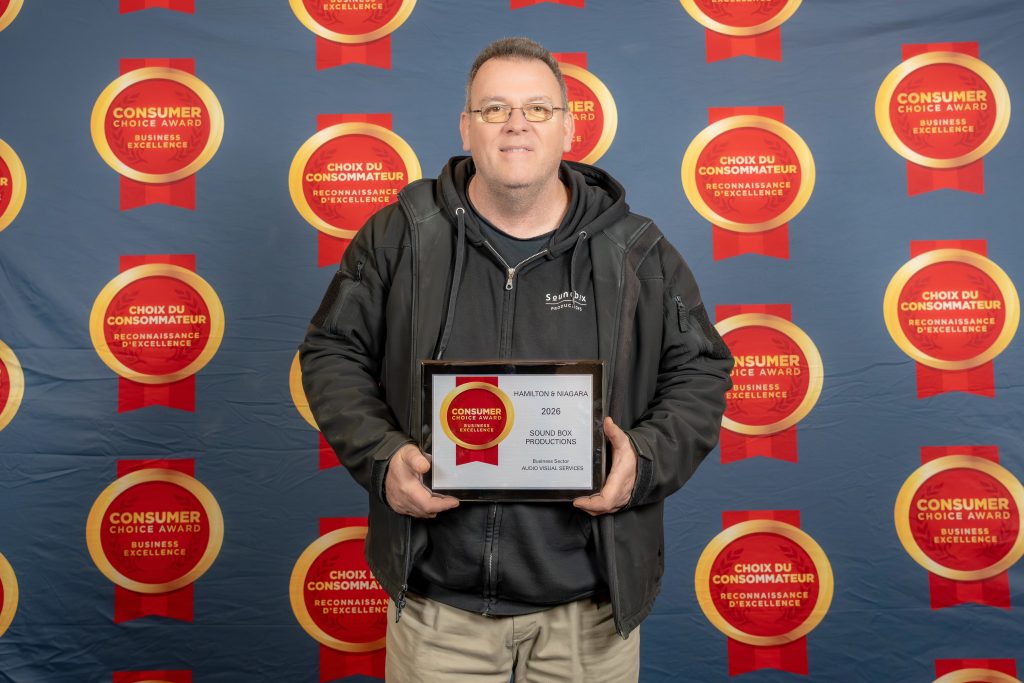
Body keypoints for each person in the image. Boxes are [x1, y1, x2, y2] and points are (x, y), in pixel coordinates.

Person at [300, 36, 732, 683]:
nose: (516, 124)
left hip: (588, 613)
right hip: (438, 611)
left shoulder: (635, 249)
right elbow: (332, 350)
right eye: (495, 108)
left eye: (537, 108)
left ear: (568, 127)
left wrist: (641, 462)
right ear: (466, 126)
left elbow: (701, 370)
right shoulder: (401, 235)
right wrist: (382, 457)